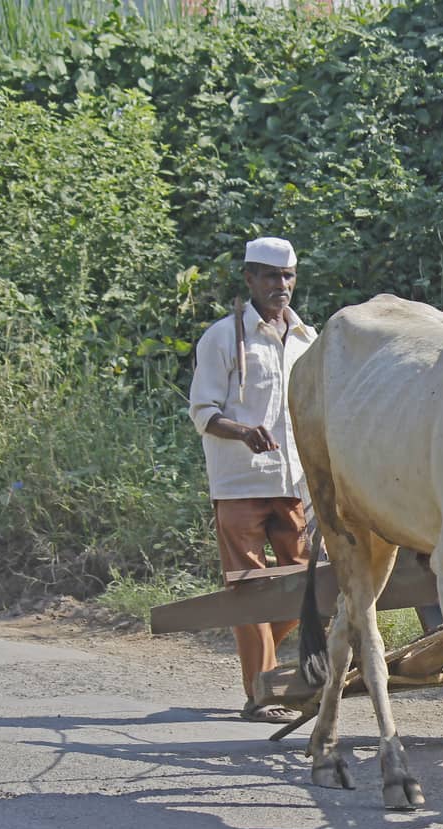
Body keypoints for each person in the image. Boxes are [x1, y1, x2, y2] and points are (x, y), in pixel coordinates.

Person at [188, 237, 317, 723]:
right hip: (240, 482)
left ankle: (258, 658)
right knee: (250, 589)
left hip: (296, 481)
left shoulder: (309, 338)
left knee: (309, 587)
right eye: (268, 276)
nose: (279, 286)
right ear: (249, 279)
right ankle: (262, 692)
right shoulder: (222, 338)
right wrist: (243, 431)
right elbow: (203, 413)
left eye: (287, 277)